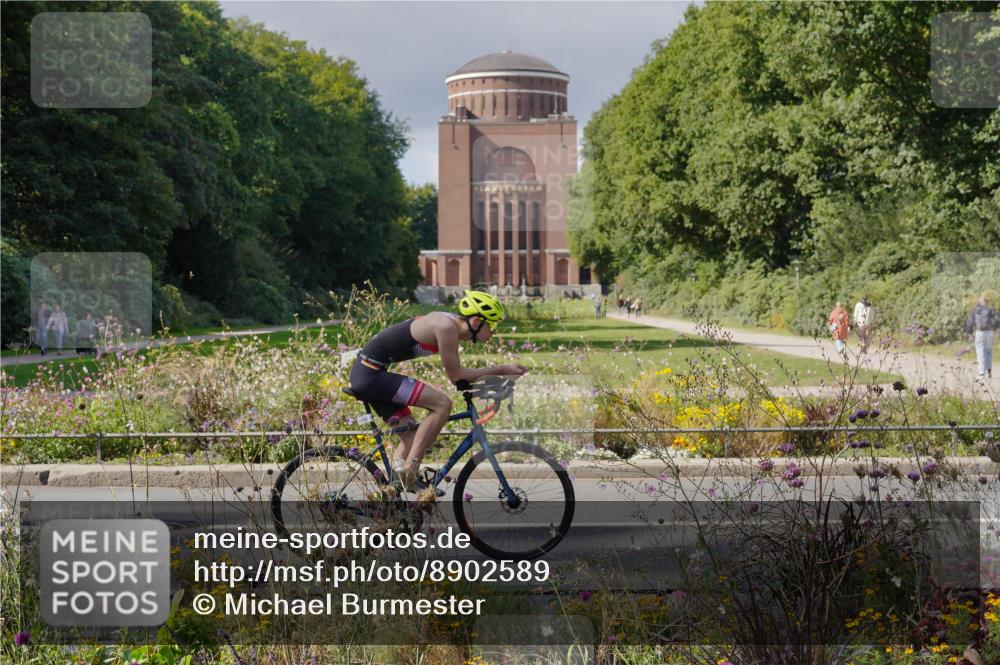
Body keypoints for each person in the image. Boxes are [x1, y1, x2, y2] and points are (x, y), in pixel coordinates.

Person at [348, 290, 527, 493]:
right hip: (371, 375)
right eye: (493, 325)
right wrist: (503, 369)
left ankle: (394, 496)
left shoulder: (449, 324)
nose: (494, 332)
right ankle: (411, 470)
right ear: (477, 321)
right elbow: (456, 375)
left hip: (370, 373)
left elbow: (459, 376)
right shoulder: (446, 327)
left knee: (410, 435)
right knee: (442, 404)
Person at [967, 295, 998, 379]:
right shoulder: (990, 310)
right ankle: (989, 372)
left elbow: (969, 323)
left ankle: (981, 373)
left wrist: (970, 334)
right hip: (989, 332)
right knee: (988, 351)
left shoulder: (974, 310)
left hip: (979, 332)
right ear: (986, 303)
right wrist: (995, 329)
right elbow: (998, 319)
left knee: (980, 351)